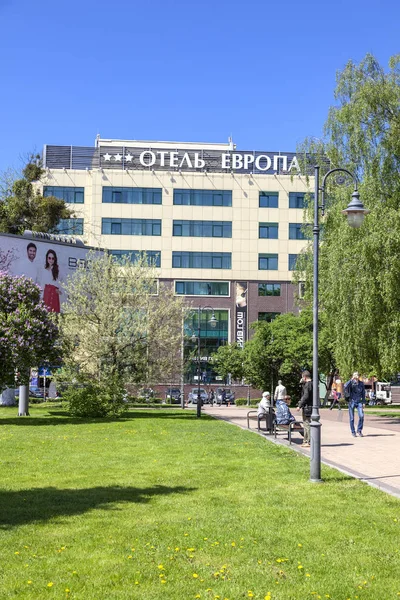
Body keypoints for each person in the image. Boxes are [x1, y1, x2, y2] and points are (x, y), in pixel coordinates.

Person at [344, 372, 366, 437]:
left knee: (361, 416)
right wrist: (351, 379)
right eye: (355, 375)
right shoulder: (351, 383)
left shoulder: (361, 384)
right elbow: (345, 386)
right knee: (352, 418)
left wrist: (364, 402)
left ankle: (359, 430)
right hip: (352, 401)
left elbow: (363, 393)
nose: (356, 377)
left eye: (357, 375)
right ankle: (353, 431)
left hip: (359, 402)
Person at [297, 370, 312, 448]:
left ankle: (308, 441)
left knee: (306, 424)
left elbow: (305, 396)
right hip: (311, 407)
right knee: (307, 423)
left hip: (307, 407)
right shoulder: (312, 384)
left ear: (304, 377)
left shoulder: (307, 385)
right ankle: (306, 440)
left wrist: (299, 405)